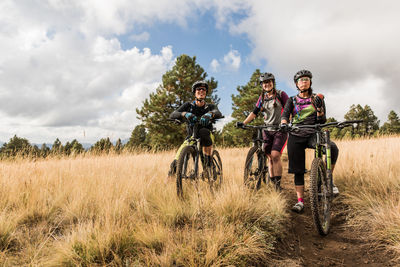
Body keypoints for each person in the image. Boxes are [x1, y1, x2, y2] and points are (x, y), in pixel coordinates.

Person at [280, 69, 339, 213]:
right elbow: (285, 115)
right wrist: (283, 123)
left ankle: (327, 180)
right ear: (296, 84)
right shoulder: (292, 100)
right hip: (296, 135)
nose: (303, 82)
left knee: (333, 148)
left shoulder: (317, 98)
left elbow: (322, 120)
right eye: (300, 80)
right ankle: (300, 201)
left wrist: (319, 108)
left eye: (306, 79)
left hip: (313, 133)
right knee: (298, 170)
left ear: (310, 82)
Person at [236, 72, 289, 191]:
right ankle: (273, 182)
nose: (267, 84)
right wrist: (244, 123)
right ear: (262, 85)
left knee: (275, 155)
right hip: (267, 130)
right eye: (264, 83)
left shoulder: (281, 94)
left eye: (269, 82)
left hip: (280, 130)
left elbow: (289, 109)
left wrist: (285, 123)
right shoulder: (262, 98)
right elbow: (254, 112)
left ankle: (277, 185)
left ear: (273, 83)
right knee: (269, 157)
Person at [168, 80, 222, 176]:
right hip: (191, 136)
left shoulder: (210, 106)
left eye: (204, 89)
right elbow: (173, 114)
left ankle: (208, 166)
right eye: (198, 89)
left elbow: (218, 113)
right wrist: (184, 113)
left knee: (204, 132)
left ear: (206, 93)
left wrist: (210, 114)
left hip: (207, 134)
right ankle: (169, 185)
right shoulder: (188, 106)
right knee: (176, 163)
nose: (201, 91)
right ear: (194, 92)